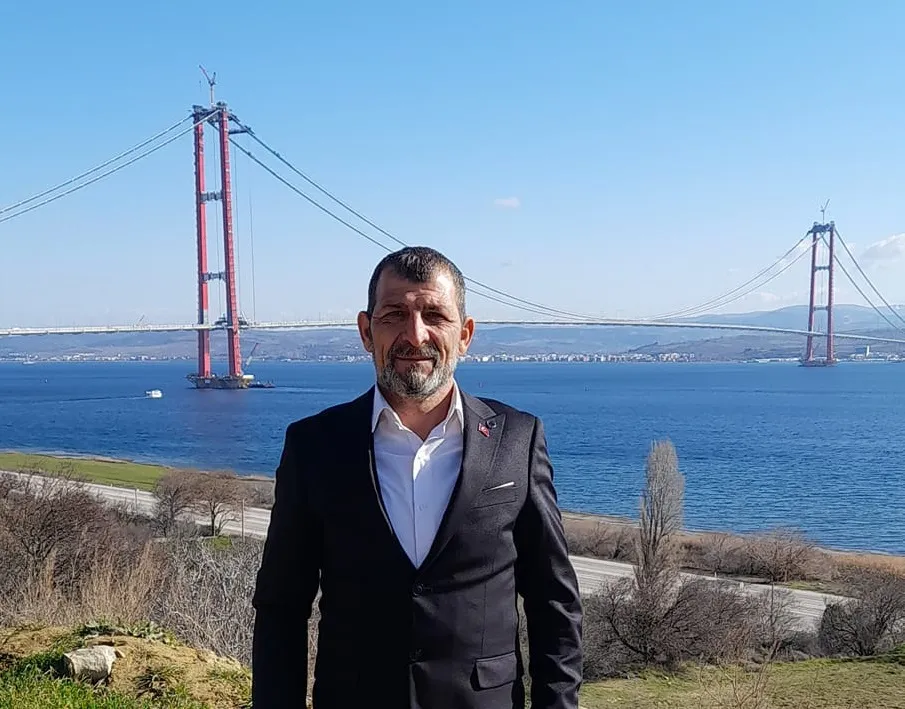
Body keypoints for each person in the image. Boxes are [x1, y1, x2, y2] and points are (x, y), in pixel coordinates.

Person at [252, 246, 583, 709]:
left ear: (464, 335)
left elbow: (554, 602)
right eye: (394, 315)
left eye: (435, 315)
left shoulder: (517, 440)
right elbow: (281, 606)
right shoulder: (313, 446)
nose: (415, 334)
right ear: (366, 332)